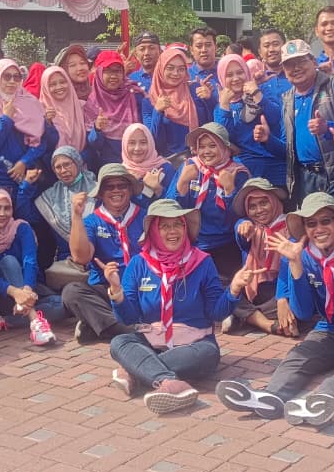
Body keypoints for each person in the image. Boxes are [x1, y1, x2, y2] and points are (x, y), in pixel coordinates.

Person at [215, 193, 334, 428]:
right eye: (311, 224)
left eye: (326, 221)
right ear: (305, 229)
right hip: (327, 328)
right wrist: (295, 264)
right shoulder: (303, 255)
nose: (319, 229)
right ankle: (270, 396)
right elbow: (303, 312)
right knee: (296, 358)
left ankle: (321, 400)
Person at [105, 200, 245, 414]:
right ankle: (170, 383)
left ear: (185, 228)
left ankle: (135, 371)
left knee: (207, 354)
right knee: (119, 342)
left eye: (178, 224)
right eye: (164, 226)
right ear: (153, 231)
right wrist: (117, 292)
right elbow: (129, 318)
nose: (173, 231)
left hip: (195, 345)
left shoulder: (202, 262)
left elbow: (216, 312)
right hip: (150, 341)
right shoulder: (139, 263)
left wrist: (234, 289)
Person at [264, 39, 334, 219]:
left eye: (301, 61)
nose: (296, 68)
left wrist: (327, 127)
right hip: (305, 179)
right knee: (314, 231)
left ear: (313, 62)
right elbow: (288, 149)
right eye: (289, 64)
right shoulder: (287, 99)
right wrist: (267, 140)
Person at [64, 163, 149, 345]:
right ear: (101, 193)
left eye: (121, 185)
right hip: (107, 287)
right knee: (71, 292)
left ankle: (97, 325)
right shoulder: (92, 221)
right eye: (109, 187)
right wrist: (77, 216)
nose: (116, 190)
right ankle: (127, 330)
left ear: (130, 189)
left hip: (142, 286)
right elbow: (81, 258)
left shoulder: (146, 217)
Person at [0, 187, 63, 342]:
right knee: (9, 262)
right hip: (1, 293)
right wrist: (15, 292)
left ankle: (1, 321)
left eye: (7, 208)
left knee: (62, 305)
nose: (2, 213)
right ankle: (35, 322)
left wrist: (26, 290)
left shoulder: (21, 228)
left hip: (27, 288)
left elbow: (30, 262)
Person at [168, 122, 249, 277]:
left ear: (225, 148)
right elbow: (170, 209)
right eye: (202, 146)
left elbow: (241, 216)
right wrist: (182, 183)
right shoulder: (189, 167)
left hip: (226, 244)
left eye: (212, 146)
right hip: (193, 243)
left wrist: (229, 190)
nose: (206, 152)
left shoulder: (237, 172)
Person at [224, 178, 294, 337]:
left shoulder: (290, 225)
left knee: (296, 304)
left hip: (281, 289)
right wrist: (242, 226)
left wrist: (282, 297)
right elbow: (241, 234)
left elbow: (290, 263)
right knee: (224, 291)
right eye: (252, 207)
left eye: (264, 203)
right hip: (254, 291)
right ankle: (266, 324)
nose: (259, 210)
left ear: (274, 201)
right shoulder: (250, 228)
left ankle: (245, 317)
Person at [0, 58, 50, 197]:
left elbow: (41, 141)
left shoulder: (31, 103)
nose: (12, 81)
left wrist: (24, 162)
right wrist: (6, 119)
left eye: (16, 77)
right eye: (6, 76)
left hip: (27, 176)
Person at [214, 52, 285, 187]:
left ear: (246, 72)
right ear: (222, 78)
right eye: (229, 75)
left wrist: (257, 94)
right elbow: (224, 138)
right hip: (244, 169)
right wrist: (224, 106)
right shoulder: (221, 107)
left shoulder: (262, 90)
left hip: (274, 164)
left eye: (240, 72)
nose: (236, 78)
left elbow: (276, 117)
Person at [34, 146, 97, 281]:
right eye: (58, 167)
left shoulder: (96, 190)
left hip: (95, 260)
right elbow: (29, 215)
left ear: (77, 162)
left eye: (67, 164)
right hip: (65, 266)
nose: (63, 170)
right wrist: (26, 186)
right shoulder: (50, 196)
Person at [146, 47, 207, 156]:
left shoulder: (194, 91)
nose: (176, 73)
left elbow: (208, 124)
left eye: (181, 69)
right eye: (170, 68)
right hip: (166, 160)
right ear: (161, 68)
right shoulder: (149, 100)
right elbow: (152, 141)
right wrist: (157, 111)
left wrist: (209, 99)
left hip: (197, 157)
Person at [88, 51, 146, 166]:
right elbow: (94, 145)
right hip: (107, 167)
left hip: (135, 163)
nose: (113, 76)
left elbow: (147, 132)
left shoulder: (134, 95)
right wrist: (97, 129)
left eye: (118, 71)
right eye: (108, 71)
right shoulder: (92, 103)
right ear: (99, 73)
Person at [39, 64, 87, 154]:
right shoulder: (40, 110)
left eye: (62, 82)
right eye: (52, 84)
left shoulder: (81, 107)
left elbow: (90, 143)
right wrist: (48, 124)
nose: (59, 87)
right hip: (52, 162)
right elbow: (42, 146)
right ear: (45, 87)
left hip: (82, 161)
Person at [120, 122, 175, 196]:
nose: (137, 148)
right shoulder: (120, 172)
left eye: (143, 142)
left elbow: (175, 201)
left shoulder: (165, 169)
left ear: (151, 143)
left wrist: (158, 189)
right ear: (124, 145)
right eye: (132, 143)